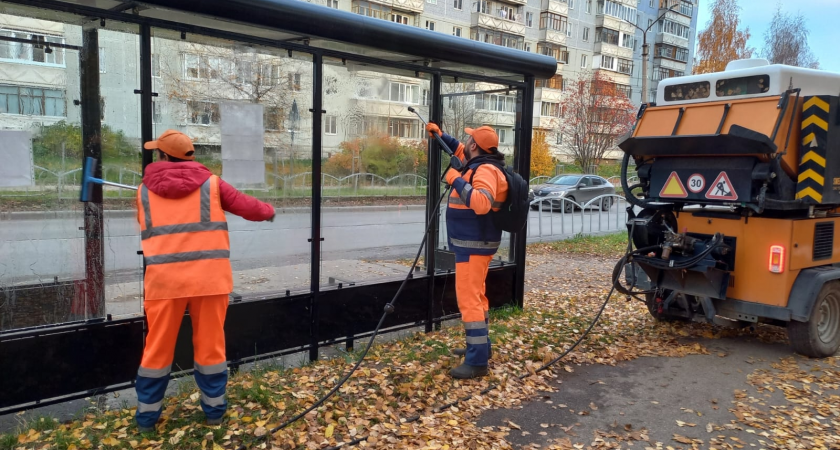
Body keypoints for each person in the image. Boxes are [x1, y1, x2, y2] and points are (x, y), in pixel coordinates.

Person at [134, 130, 275, 432]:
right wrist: (269, 212)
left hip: (163, 284)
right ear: (190, 156)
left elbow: (145, 225)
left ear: (162, 156)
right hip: (209, 281)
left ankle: (146, 419)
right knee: (211, 347)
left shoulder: (143, 191)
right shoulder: (212, 185)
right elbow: (246, 205)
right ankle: (214, 413)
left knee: (156, 350)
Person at [426, 123, 508, 379]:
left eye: (469, 138)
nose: (466, 142)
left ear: (476, 146)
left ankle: (477, 362)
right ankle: (480, 347)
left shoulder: (485, 170)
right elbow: (458, 149)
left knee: (469, 301)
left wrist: (454, 178)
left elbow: (481, 203)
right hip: (475, 244)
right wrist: (440, 135)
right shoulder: (481, 162)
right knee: (478, 297)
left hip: (474, 246)